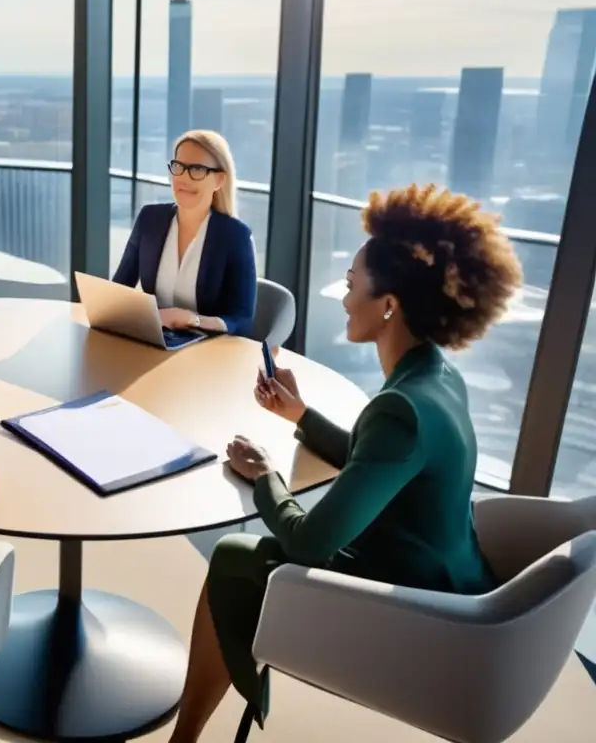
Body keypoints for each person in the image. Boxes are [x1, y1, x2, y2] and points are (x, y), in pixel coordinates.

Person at [167, 184, 523, 742]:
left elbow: (309, 544)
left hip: (420, 606)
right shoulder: (436, 375)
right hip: (453, 574)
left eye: (353, 285)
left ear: (389, 304)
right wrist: (300, 414)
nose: (344, 296)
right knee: (246, 557)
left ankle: (183, 739)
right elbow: (380, 457)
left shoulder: (401, 408)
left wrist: (267, 480)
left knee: (235, 556)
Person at [112, 130, 257, 336]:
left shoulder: (235, 237)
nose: (183, 178)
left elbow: (241, 321)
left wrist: (192, 320)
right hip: (154, 341)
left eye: (196, 169)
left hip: (205, 351)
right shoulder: (150, 219)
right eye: (178, 167)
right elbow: (119, 289)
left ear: (218, 180)